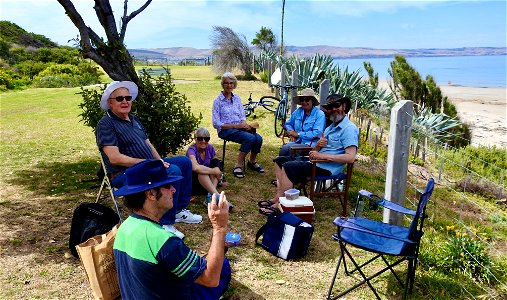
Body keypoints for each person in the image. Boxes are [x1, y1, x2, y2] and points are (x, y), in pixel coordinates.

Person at [96, 81, 201, 239]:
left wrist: (159, 161)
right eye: (119, 99)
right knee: (173, 170)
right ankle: (165, 222)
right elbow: (114, 158)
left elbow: (147, 143)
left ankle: (178, 210)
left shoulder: (133, 119)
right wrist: (150, 164)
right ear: (110, 103)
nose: (124, 101)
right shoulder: (106, 123)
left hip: (146, 165)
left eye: (127, 97)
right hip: (125, 173)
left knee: (184, 162)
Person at [113, 159, 231, 300]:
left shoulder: (124, 227)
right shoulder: (163, 241)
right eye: (168, 186)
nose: (174, 189)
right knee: (222, 266)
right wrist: (219, 227)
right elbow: (211, 279)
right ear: (151, 194)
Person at [259, 94, 359, 212]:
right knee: (279, 161)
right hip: (316, 162)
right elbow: (315, 151)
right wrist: (317, 147)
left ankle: (280, 205)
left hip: (326, 168)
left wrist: (322, 156)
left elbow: (350, 158)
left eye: (336, 106)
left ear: (344, 106)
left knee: (289, 167)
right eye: (330, 107)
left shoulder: (349, 128)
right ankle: (278, 198)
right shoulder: (330, 127)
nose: (333, 109)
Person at [212, 72, 264, 179]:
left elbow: (242, 115)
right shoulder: (217, 101)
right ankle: (238, 165)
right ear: (222, 84)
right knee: (249, 138)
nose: (229, 85)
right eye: (226, 83)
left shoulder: (237, 98)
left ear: (234, 84)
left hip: (240, 128)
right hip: (225, 130)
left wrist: (244, 124)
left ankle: (252, 162)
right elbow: (216, 123)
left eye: (231, 83)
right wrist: (236, 126)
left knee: (258, 138)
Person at [186, 127, 233, 209]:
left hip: (207, 184)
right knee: (202, 172)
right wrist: (214, 170)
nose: (203, 141)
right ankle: (218, 197)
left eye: (206, 139)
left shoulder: (210, 148)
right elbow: (195, 167)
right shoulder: (191, 150)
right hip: (194, 183)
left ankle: (209, 196)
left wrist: (217, 170)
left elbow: (215, 162)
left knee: (214, 166)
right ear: (195, 139)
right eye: (200, 138)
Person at [278, 88, 326, 156]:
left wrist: (298, 134)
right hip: (297, 142)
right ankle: (282, 165)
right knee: (284, 150)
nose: (304, 102)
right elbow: (288, 123)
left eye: (307, 100)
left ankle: (287, 165)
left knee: (287, 150)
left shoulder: (319, 114)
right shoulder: (298, 111)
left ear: (312, 101)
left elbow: (317, 133)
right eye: (302, 100)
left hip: (310, 145)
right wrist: (291, 132)